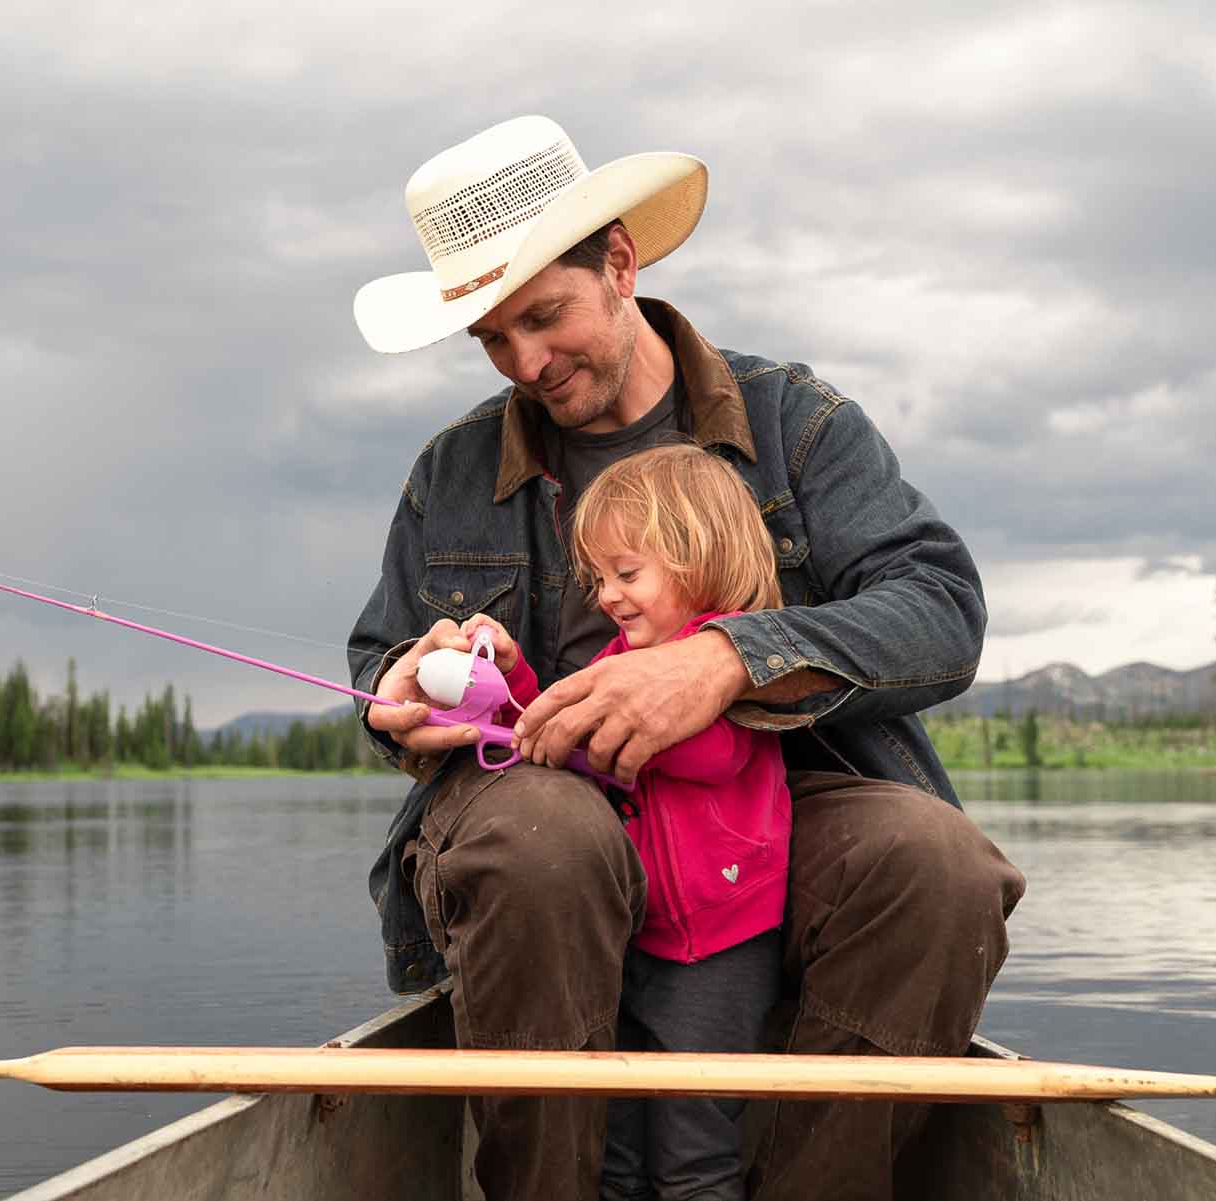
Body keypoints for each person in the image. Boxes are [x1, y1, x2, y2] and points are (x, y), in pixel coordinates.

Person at [347, 115, 1026, 1201]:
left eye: (543, 316)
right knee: (543, 834)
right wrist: (393, 692)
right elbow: (380, 663)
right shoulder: (451, 472)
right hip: (540, 829)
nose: (525, 362)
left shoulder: (797, 425)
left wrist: (725, 660)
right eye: (489, 336)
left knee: (938, 867)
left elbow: (941, 611)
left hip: (767, 823)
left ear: (618, 262)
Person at [464, 443, 791, 1201]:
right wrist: (512, 680)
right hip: (628, 940)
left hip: (720, 948)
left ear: (697, 559)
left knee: (694, 1156)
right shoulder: (617, 658)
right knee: (613, 1153)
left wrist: (582, 730)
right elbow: (550, 720)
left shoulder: (733, 660)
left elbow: (709, 754)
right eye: (600, 578)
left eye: (627, 573)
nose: (606, 595)